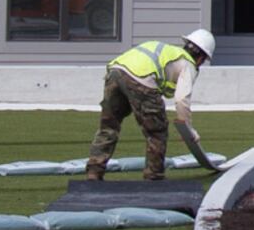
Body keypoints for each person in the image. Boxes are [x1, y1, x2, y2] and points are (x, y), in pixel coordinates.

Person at [84, 29, 213, 181]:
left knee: (108, 127)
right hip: (142, 81)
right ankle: (154, 177)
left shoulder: (166, 51)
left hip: (115, 73)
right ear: (201, 57)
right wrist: (188, 130)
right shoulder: (188, 64)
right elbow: (182, 99)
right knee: (157, 131)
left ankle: (94, 172)